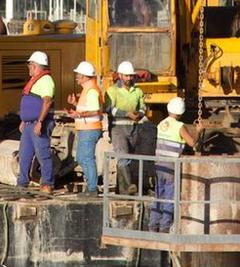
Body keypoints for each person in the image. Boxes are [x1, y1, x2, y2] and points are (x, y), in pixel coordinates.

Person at [150, 96, 198, 232]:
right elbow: (194, 144)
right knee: (171, 197)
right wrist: (199, 132)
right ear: (181, 112)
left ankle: (153, 225)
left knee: (159, 195)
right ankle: (165, 226)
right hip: (171, 167)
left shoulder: (161, 124)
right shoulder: (180, 127)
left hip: (159, 164)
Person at [105, 61, 151, 193]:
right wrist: (126, 114)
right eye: (126, 76)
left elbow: (143, 107)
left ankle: (122, 190)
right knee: (123, 156)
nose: (129, 78)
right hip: (117, 128)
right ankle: (129, 186)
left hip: (134, 128)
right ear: (120, 75)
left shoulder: (138, 91)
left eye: (131, 76)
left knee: (128, 157)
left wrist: (140, 114)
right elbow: (109, 109)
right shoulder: (112, 90)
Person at [16, 50, 56, 191]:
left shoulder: (46, 80)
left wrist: (39, 122)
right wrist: (23, 120)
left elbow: (46, 102)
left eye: (30, 65)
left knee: (43, 153)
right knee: (24, 154)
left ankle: (47, 183)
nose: (29, 68)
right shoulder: (35, 80)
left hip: (38, 124)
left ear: (36, 66)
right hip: (28, 124)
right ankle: (22, 182)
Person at [69, 60, 105, 196]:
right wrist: (75, 105)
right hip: (86, 129)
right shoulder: (88, 90)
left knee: (86, 158)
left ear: (84, 76)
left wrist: (78, 114)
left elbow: (95, 110)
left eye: (78, 74)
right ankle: (91, 186)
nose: (76, 77)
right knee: (81, 157)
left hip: (90, 129)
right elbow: (89, 108)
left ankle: (92, 189)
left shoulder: (91, 91)